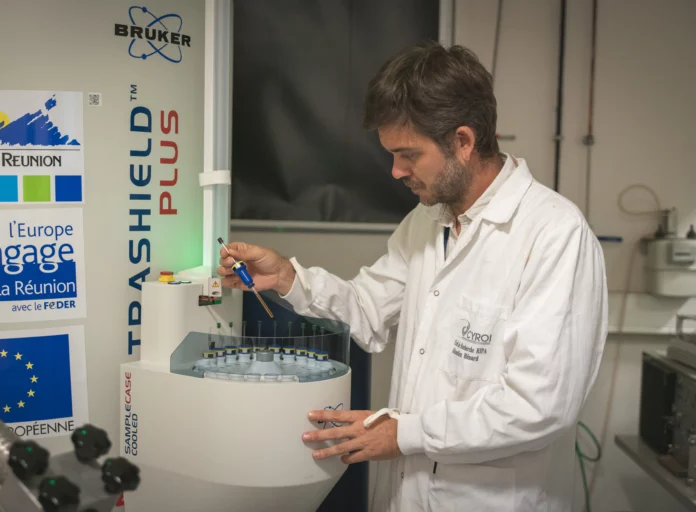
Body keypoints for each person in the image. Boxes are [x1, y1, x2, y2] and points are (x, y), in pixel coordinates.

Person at [218, 41, 608, 512]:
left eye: (408, 155)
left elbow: (538, 408)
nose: (395, 171)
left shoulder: (554, 235)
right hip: (407, 495)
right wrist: (287, 277)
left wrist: (404, 433)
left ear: (463, 142)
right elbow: (367, 310)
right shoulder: (427, 221)